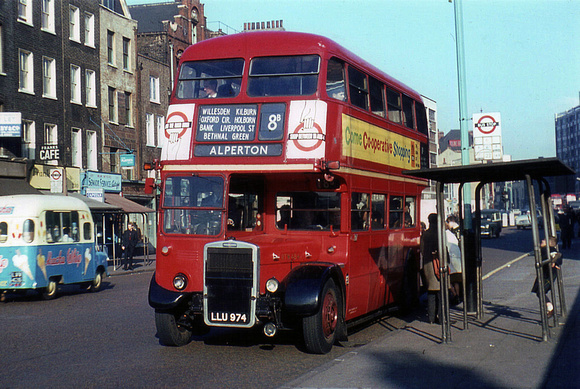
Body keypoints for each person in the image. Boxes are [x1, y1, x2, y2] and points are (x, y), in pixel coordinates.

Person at [531, 236, 562, 317]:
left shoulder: (547, 249)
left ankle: (550, 307)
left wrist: (554, 261)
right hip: (547, 273)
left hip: (547, 274)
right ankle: (549, 307)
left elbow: (556, 255)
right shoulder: (547, 249)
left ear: (548, 243)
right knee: (540, 291)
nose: (542, 240)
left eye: (544, 240)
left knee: (540, 291)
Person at [421, 213, 441, 324]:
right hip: (439, 265)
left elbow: (422, 250)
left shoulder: (425, 234)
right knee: (441, 293)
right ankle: (442, 317)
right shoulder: (440, 233)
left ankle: (431, 318)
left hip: (428, 266)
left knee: (431, 293)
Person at [446, 215, 462, 304]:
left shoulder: (451, 233)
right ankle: (458, 295)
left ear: (451, 222)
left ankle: (455, 295)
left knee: (450, 280)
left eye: (448, 222)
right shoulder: (456, 231)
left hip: (452, 259)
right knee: (456, 280)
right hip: (458, 257)